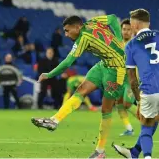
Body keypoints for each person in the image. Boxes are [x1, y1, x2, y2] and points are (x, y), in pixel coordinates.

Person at [31, 14, 126, 158]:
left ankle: (100, 151)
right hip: (103, 64)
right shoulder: (92, 22)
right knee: (81, 89)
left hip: (117, 68)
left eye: (68, 31)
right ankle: (54, 120)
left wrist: (49, 74)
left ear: (77, 27)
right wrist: (119, 39)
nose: (66, 34)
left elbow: (68, 62)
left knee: (106, 109)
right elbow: (113, 18)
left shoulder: (83, 38)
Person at [112, 9, 159, 159]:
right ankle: (134, 152)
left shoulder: (131, 45)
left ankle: (146, 157)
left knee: (146, 125)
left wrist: (139, 100)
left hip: (149, 90)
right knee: (155, 119)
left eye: (131, 23)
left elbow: (132, 80)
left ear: (136, 24)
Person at [116, 18, 138, 136]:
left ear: (132, 31)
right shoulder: (118, 44)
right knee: (119, 103)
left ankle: (148, 122)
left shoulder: (135, 44)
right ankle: (129, 129)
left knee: (127, 104)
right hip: (119, 78)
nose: (126, 32)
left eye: (129, 30)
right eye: (124, 29)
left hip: (131, 79)